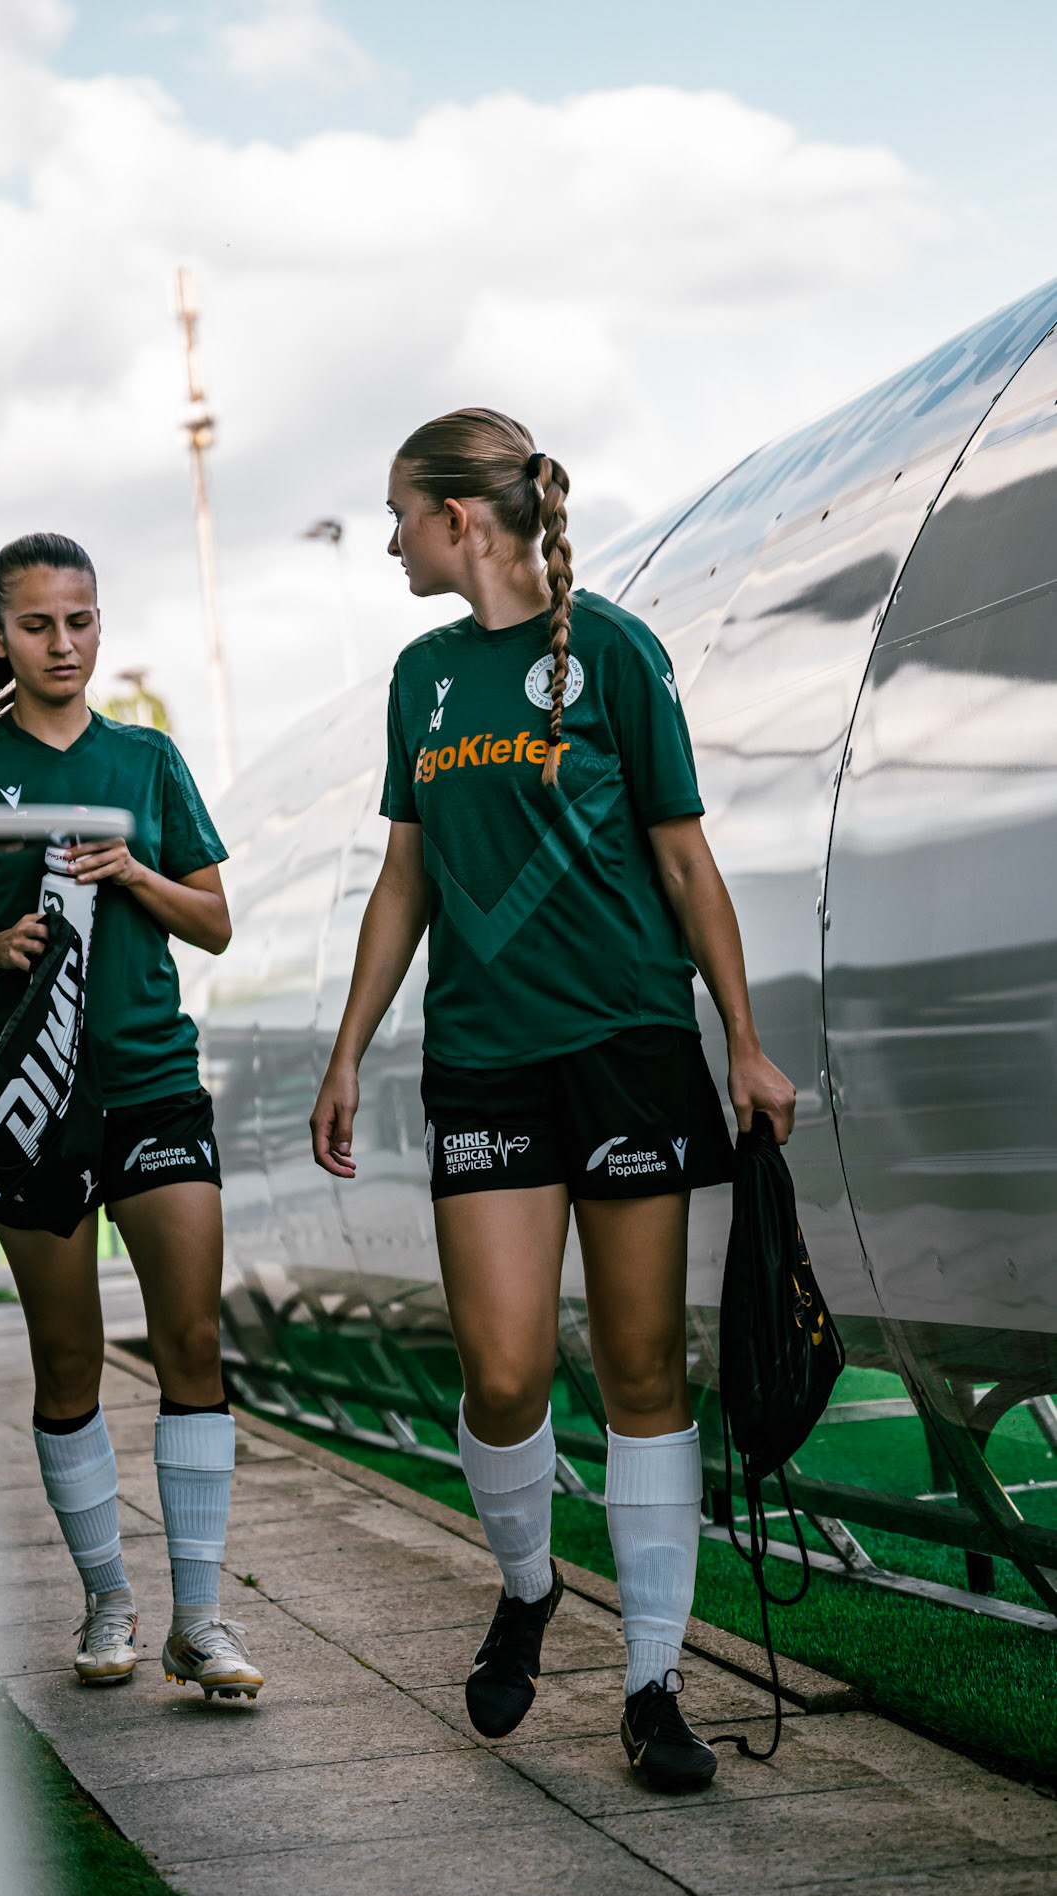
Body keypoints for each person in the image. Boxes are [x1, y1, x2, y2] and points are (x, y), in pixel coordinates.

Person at [310, 413, 794, 1790]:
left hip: (633, 1048)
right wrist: (350, 1050)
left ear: (464, 517)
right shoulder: (425, 679)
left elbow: (688, 867)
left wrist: (743, 1046)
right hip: (484, 1060)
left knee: (642, 1372)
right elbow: (405, 880)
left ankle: (652, 1686)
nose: (392, 538)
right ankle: (528, 1587)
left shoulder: (619, 655)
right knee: (508, 1372)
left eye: (403, 513)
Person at [0, 532, 262, 1702]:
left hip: (155, 1079)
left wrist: (134, 876)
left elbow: (211, 919)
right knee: (67, 1364)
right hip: (28, 1099)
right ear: (0, 634)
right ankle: (109, 1599)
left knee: (192, 1343)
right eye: (41, 624)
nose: (66, 643)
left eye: (83, 620)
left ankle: (199, 1619)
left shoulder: (147, 761)